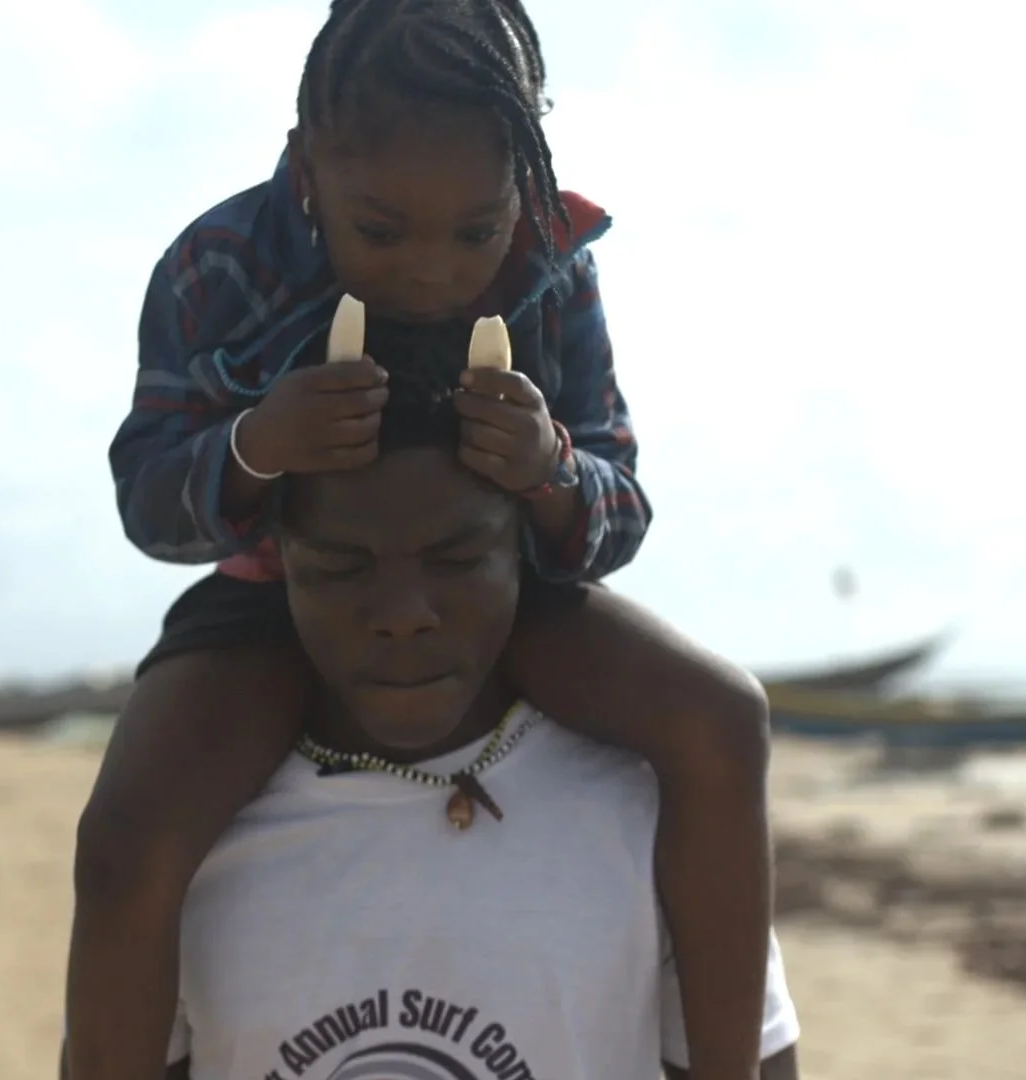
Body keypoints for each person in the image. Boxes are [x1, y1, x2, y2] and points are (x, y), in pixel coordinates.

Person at [66, 2, 773, 1077]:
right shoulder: (217, 267)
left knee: (725, 722)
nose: (434, 271)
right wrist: (258, 445)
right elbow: (147, 498)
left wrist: (548, 468)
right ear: (305, 168)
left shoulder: (557, 265)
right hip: (270, 593)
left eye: (476, 231)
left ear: (526, 186)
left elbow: (618, 509)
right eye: (382, 231)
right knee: (126, 846)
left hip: (498, 584)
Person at [70, 327, 800, 1079]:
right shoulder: (178, 843)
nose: (402, 612)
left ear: (521, 546)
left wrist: (551, 465)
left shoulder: (658, 820)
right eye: (341, 566)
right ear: (277, 556)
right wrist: (256, 444)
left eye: (455, 560)